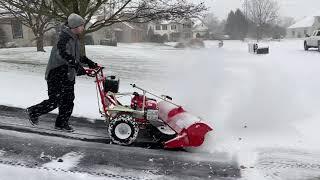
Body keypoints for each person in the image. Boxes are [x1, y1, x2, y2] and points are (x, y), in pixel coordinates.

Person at [26, 13, 98, 132]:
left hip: (67, 74)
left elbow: (77, 55)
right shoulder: (63, 38)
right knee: (55, 101)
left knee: (68, 100)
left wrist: (90, 63)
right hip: (56, 73)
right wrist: (78, 67)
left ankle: (61, 124)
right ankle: (33, 111)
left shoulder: (74, 38)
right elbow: (64, 55)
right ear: (75, 26)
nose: (83, 28)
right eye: (82, 26)